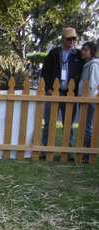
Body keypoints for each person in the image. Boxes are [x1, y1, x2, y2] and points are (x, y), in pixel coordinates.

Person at [40, 27, 83, 160]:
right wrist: (48, 88)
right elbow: (45, 72)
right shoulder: (54, 53)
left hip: (70, 94)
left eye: (73, 39)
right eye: (69, 39)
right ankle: (46, 150)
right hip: (54, 93)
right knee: (49, 122)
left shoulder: (78, 55)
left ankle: (68, 151)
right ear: (63, 38)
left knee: (68, 124)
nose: (71, 41)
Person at [77, 41, 99, 163]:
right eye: (82, 50)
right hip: (84, 98)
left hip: (89, 99)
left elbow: (93, 84)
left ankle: (87, 153)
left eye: (86, 50)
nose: (83, 52)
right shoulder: (87, 64)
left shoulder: (93, 65)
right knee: (84, 126)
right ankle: (84, 151)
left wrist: (88, 97)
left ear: (92, 52)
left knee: (87, 127)